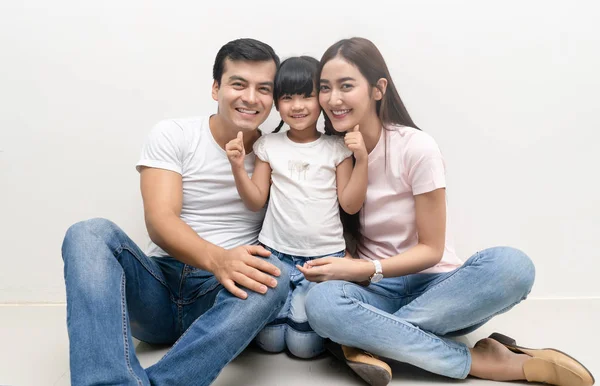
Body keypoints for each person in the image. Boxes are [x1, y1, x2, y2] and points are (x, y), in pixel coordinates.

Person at [301, 37, 595, 386]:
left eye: (346, 86)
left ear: (378, 89)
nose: (333, 99)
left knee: (514, 266)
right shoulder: (329, 153)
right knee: (321, 303)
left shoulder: (416, 148)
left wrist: (365, 268)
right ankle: (481, 361)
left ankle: (369, 339)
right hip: (374, 294)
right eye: (325, 88)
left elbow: (431, 250)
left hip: (437, 289)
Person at [61, 38, 290, 386]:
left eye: (263, 89)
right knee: (88, 232)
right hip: (158, 286)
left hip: (221, 299)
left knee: (276, 277)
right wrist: (218, 259)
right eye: (238, 84)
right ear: (216, 88)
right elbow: (160, 221)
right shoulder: (175, 134)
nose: (250, 98)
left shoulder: (278, 152)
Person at [224, 56, 368, 359]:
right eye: (287, 97)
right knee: (271, 343)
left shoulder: (336, 148)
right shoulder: (269, 146)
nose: (298, 105)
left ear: (322, 99)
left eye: (307, 95)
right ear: (276, 103)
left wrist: (362, 160)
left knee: (303, 349)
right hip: (275, 256)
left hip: (321, 260)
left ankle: (342, 338)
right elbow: (255, 201)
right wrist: (238, 167)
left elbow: (350, 206)